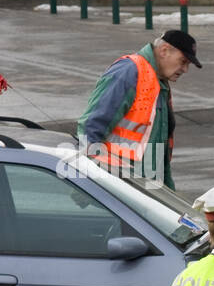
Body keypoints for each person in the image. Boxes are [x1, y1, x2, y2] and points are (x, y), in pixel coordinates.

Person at [77, 29, 202, 190]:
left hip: (142, 187)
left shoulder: (158, 82)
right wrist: (92, 183)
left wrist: (166, 190)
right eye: (183, 61)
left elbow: (159, 149)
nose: (185, 69)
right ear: (164, 51)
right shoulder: (129, 71)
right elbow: (90, 127)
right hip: (118, 187)